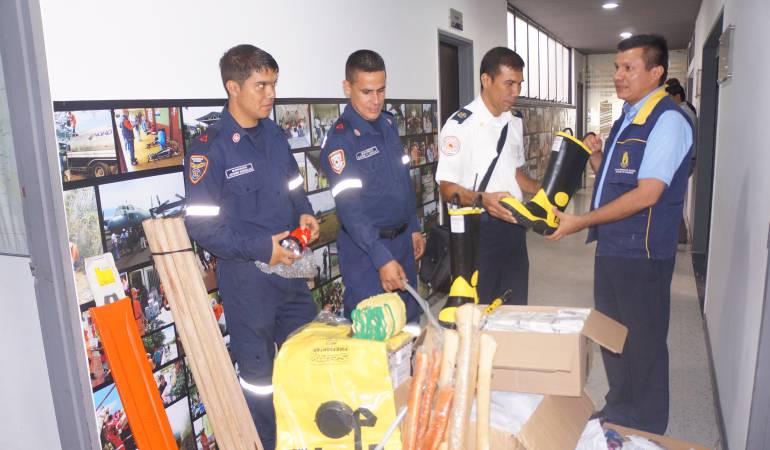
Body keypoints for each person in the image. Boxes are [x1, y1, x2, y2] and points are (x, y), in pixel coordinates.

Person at [547, 34, 693, 434]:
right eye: (616, 67)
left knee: (643, 344)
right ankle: (620, 410)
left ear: (656, 72)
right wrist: (597, 156)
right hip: (613, 248)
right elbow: (615, 182)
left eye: (629, 67)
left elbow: (647, 194)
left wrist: (581, 221)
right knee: (614, 338)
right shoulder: (629, 117)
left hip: (643, 254)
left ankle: (645, 426)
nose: (618, 75)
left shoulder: (667, 121)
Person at [184, 44, 319, 450]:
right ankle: (270, 442)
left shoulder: (275, 135)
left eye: (273, 84)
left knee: (307, 356)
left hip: (291, 271)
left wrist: (306, 213)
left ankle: (308, 435)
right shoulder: (210, 147)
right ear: (232, 87)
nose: (270, 95)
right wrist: (263, 248)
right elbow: (201, 227)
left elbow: (294, 186)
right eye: (260, 85)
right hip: (247, 282)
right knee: (259, 380)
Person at [321, 50, 425, 322]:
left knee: (409, 324)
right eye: (367, 92)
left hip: (402, 243)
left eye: (381, 90)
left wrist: (413, 226)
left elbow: (402, 180)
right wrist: (381, 258)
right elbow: (350, 211)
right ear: (347, 87)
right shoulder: (340, 141)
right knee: (374, 333)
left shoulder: (388, 123)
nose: (376, 100)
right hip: (367, 252)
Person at [435, 46, 539, 305]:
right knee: (480, 309)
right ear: (486, 80)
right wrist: (484, 200)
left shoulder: (514, 120)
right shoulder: (460, 125)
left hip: (514, 227)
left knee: (515, 304)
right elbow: (446, 188)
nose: (516, 92)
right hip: (479, 230)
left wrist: (539, 188)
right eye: (509, 84)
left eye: (519, 84)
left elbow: (513, 171)